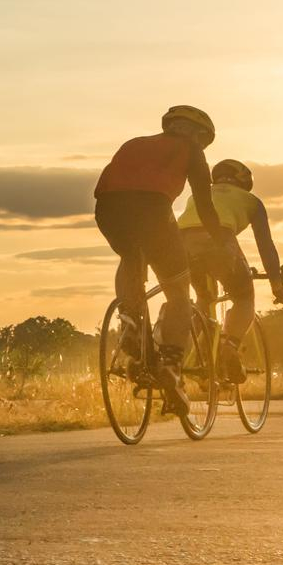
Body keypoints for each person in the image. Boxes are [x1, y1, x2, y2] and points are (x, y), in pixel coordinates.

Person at [93, 105, 228, 416]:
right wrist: (220, 242)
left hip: (108, 208)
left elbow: (113, 182)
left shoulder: (134, 143)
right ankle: (171, 362)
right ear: (197, 133)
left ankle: (130, 317)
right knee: (179, 293)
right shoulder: (191, 149)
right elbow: (205, 205)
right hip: (153, 209)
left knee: (131, 254)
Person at [177, 158, 283, 383]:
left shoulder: (198, 194)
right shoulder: (251, 201)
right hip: (219, 241)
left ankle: (187, 354)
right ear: (244, 180)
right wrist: (277, 284)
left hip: (181, 243)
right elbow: (265, 245)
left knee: (203, 298)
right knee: (243, 296)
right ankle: (229, 348)